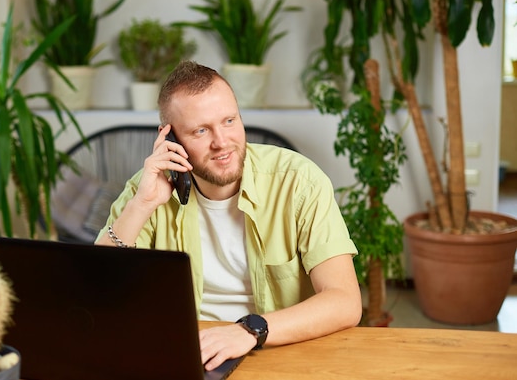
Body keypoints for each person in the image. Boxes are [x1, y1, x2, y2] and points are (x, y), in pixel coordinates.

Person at [95, 60, 362, 371]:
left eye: (229, 121)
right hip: (187, 353)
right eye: (200, 130)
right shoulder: (148, 188)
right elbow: (95, 287)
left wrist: (250, 330)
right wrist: (142, 204)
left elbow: (344, 301)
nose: (221, 142)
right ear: (170, 140)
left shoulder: (299, 181)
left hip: (276, 348)